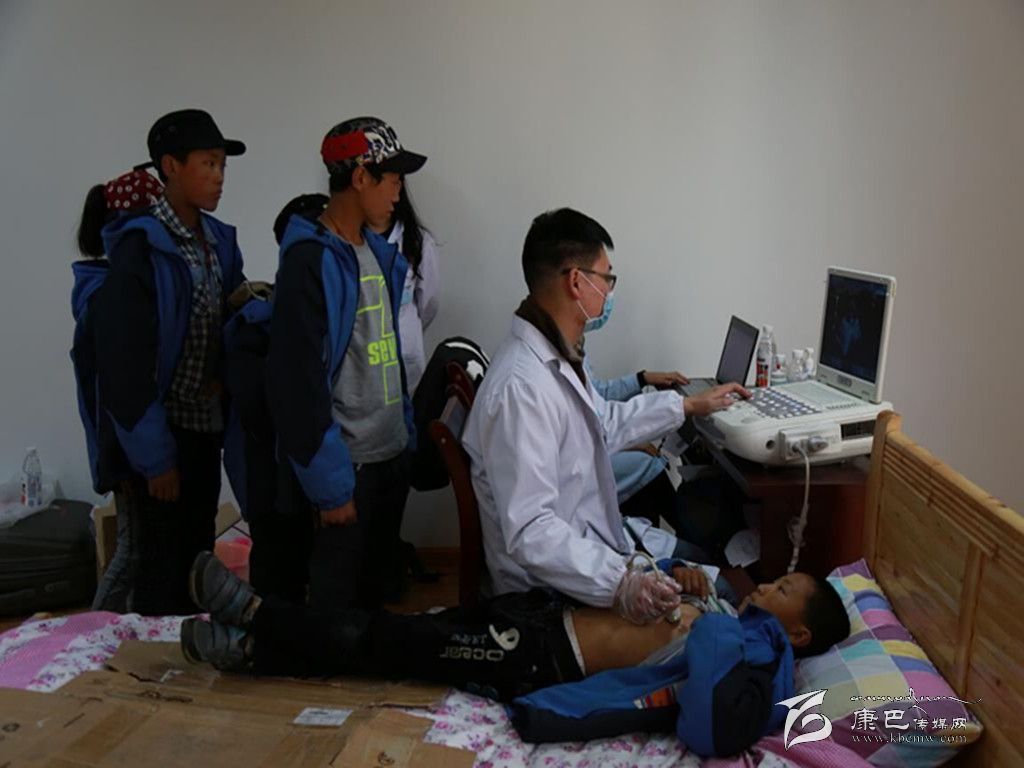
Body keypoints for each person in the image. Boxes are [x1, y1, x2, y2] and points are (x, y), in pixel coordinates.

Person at [180, 552, 850, 756]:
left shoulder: (763, 661)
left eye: (785, 590)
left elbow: (714, 727)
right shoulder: (736, 613)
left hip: (537, 657)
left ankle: (258, 617)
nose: (769, 584)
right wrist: (683, 577)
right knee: (404, 634)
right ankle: (254, 650)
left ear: (798, 635)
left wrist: (709, 630)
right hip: (541, 618)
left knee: (389, 641)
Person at [461, 208, 749, 621]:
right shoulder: (520, 389)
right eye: (607, 277)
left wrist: (686, 405)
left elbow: (602, 423)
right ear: (577, 282)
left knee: (706, 567)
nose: (610, 291)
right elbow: (531, 532)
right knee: (722, 595)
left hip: (588, 547)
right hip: (548, 590)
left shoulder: (554, 357)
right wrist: (623, 582)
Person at [266, 117, 426, 610]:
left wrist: (404, 432)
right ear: (360, 177)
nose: (398, 194)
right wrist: (331, 487)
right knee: (337, 610)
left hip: (388, 456)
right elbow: (297, 383)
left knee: (379, 600)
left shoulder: (374, 251)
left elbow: (385, 351)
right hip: (348, 470)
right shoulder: (310, 261)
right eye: (392, 179)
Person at [91, 109, 247, 616]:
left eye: (223, 165)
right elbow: (124, 362)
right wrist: (155, 459)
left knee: (197, 552)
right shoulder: (142, 247)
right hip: (159, 436)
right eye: (208, 163)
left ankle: (190, 646)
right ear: (171, 167)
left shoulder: (219, 241)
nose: (219, 177)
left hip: (204, 428)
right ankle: (153, 659)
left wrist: (225, 375)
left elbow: (226, 323)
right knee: (160, 564)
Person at [72, 170, 164, 612]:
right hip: (124, 445)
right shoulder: (109, 295)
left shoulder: (106, 286)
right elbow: (111, 386)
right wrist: (124, 456)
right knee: (132, 550)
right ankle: (91, 635)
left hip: (126, 443)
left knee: (140, 549)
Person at [368, 184, 440, 393]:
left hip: (407, 357)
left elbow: (430, 304)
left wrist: (408, 326)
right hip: (365, 360)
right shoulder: (351, 240)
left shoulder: (418, 242)